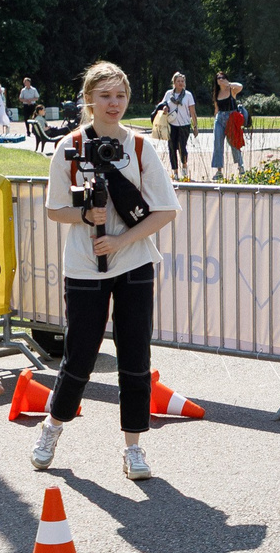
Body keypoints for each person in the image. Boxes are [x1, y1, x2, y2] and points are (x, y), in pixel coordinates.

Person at [34, 62, 181, 480]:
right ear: (89, 100)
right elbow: (53, 209)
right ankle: (53, 426)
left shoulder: (138, 146)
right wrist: (85, 214)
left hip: (132, 262)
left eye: (120, 96)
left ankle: (134, 447)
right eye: (105, 96)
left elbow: (166, 210)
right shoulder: (70, 146)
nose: (113, 104)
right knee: (79, 355)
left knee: (135, 355)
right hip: (84, 266)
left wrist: (121, 241)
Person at [154, 71, 199, 179]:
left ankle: (184, 167)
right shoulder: (169, 94)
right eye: (178, 81)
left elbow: (192, 112)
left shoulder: (188, 95)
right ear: (174, 82)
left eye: (182, 81)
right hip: (171, 125)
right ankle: (175, 172)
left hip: (184, 125)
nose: (180, 83)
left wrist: (195, 126)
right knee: (171, 148)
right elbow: (163, 105)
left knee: (182, 147)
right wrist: (164, 108)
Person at [210, 73, 246, 175]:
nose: (221, 80)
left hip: (231, 118)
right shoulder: (217, 93)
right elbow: (216, 109)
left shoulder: (231, 90)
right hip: (219, 119)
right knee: (218, 144)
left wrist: (228, 84)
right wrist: (215, 118)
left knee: (234, 143)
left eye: (223, 77)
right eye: (218, 78)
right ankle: (219, 170)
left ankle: (240, 167)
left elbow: (240, 86)